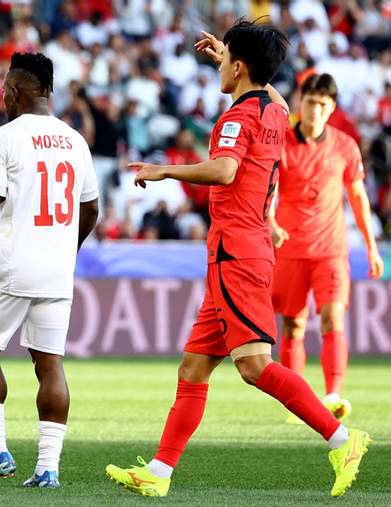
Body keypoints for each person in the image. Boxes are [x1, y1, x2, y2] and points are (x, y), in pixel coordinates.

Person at [105, 19, 370, 499]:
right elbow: (263, 89)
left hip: (237, 251)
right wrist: (230, 55)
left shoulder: (236, 118)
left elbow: (225, 169)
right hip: (241, 249)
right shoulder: (274, 108)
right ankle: (159, 473)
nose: (219, 66)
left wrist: (166, 168)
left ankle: (344, 441)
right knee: (193, 368)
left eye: (226, 60)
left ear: (240, 66)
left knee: (253, 365)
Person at [0, 52, 99, 488]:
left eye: (4, 91)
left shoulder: (1, 138)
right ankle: (48, 469)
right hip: (58, 271)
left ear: (15, 92)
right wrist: (67, 248)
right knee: (50, 363)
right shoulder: (75, 140)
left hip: (11, 263)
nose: (2, 98)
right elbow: (92, 209)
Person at [269, 73, 384, 423]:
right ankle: (296, 401)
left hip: (331, 249)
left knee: (333, 316)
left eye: (322, 104)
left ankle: (333, 395)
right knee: (293, 326)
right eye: (309, 102)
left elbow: (358, 197)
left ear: (331, 107)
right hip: (289, 248)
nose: (315, 110)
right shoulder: (282, 143)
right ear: (299, 104)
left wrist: (370, 245)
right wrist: (270, 223)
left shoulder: (345, 146)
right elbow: (268, 190)